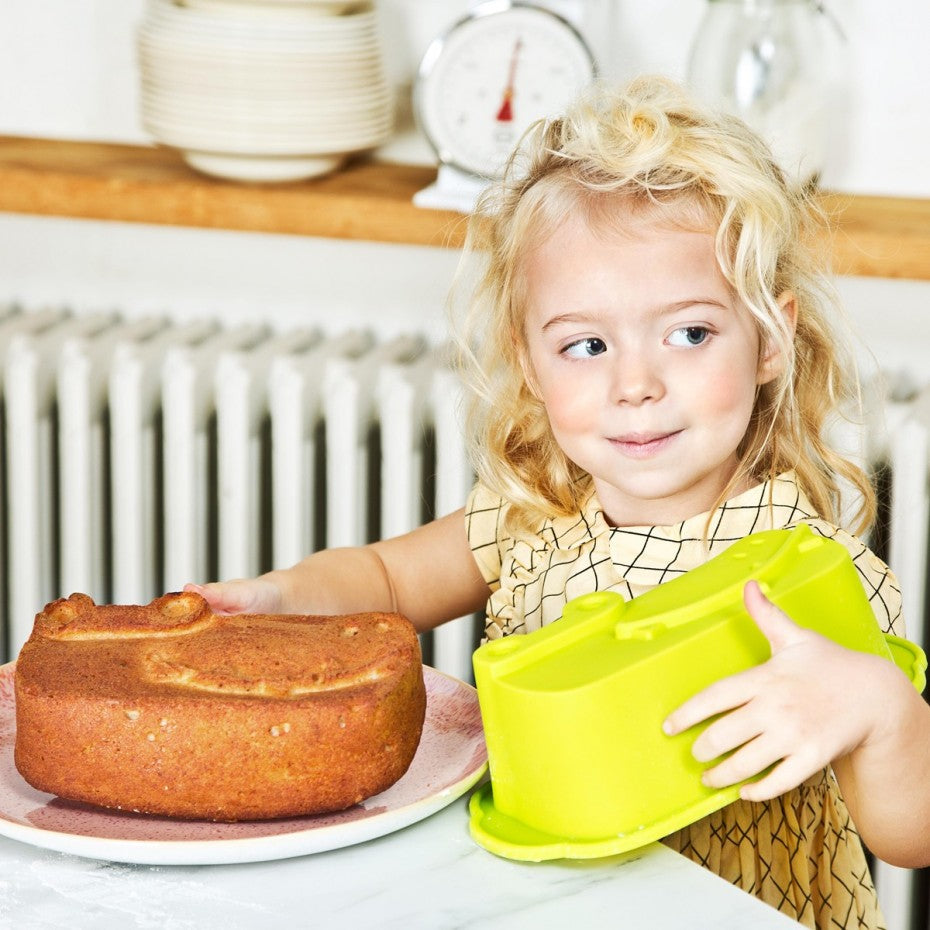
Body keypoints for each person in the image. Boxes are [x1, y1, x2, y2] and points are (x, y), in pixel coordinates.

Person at [186, 76, 930, 928]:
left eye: (690, 333)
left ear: (768, 339)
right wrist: (283, 599)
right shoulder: (534, 511)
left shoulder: (809, 574)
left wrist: (878, 713)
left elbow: (911, 836)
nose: (637, 385)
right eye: (587, 345)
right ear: (530, 363)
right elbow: (387, 584)